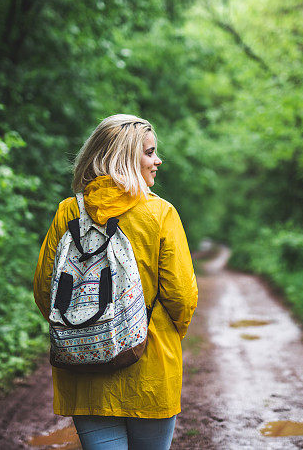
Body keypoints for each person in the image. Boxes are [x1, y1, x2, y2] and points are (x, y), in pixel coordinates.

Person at [33, 114, 198, 450]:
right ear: (122, 157)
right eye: (149, 152)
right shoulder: (161, 214)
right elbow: (181, 295)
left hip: (85, 367)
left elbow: (44, 291)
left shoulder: (68, 212)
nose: (158, 160)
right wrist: (165, 333)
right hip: (150, 363)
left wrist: (84, 329)